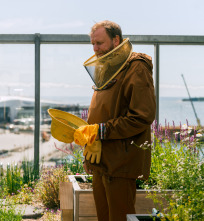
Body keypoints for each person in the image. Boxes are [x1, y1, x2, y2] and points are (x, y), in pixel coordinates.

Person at [83, 21, 156, 221]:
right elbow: (101, 112)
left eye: (100, 43)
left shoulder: (136, 67)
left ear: (116, 40)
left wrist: (100, 131)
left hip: (120, 163)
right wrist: (89, 146)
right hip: (101, 162)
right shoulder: (107, 68)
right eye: (93, 44)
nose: (95, 49)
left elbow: (142, 116)